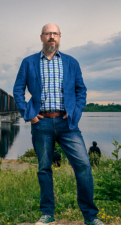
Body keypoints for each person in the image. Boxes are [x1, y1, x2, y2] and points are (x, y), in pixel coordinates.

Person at [13, 23, 101, 225]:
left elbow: (81, 90)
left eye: (55, 33)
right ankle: (47, 213)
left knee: (84, 166)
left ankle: (90, 216)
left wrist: (75, 114)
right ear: (41, 37)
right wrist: (29, 115)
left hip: (67, 123)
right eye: (48, 34)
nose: (51, 37)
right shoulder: (28, 62)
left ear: (60, 37)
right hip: (41, 122)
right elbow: (18, 90)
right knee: (44, 168)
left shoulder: (71, 62)